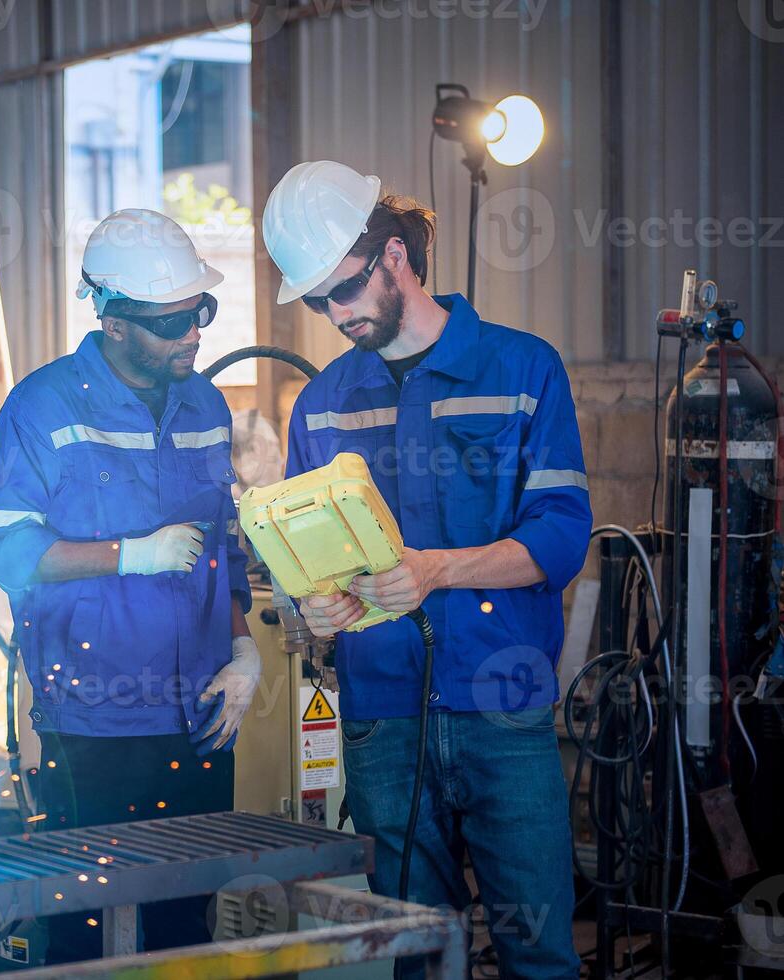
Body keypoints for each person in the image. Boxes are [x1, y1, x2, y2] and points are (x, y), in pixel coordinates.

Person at [264, 161, 590, 979]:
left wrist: (436, 570)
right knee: (413, 955)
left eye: (341, 291)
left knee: (539, 955)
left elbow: (560, 536)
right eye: (313, 303)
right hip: (381, 718)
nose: (332, 316)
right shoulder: (323, 404)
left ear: (397, 255)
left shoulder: (523, 371)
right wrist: (313, 614)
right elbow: (308, 570)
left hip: (502, 710)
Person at [0, 208, 260, 962]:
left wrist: (243, 650)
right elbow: (4, 550)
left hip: (200, 713)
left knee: (182, 926)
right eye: (171, 322)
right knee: (87, 930)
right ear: (113, 320)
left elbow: (223, 550)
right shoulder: (42, 408)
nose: (193, 333)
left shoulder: (207, 405)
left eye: (201, 312)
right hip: (94, 722)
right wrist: (126, 556)